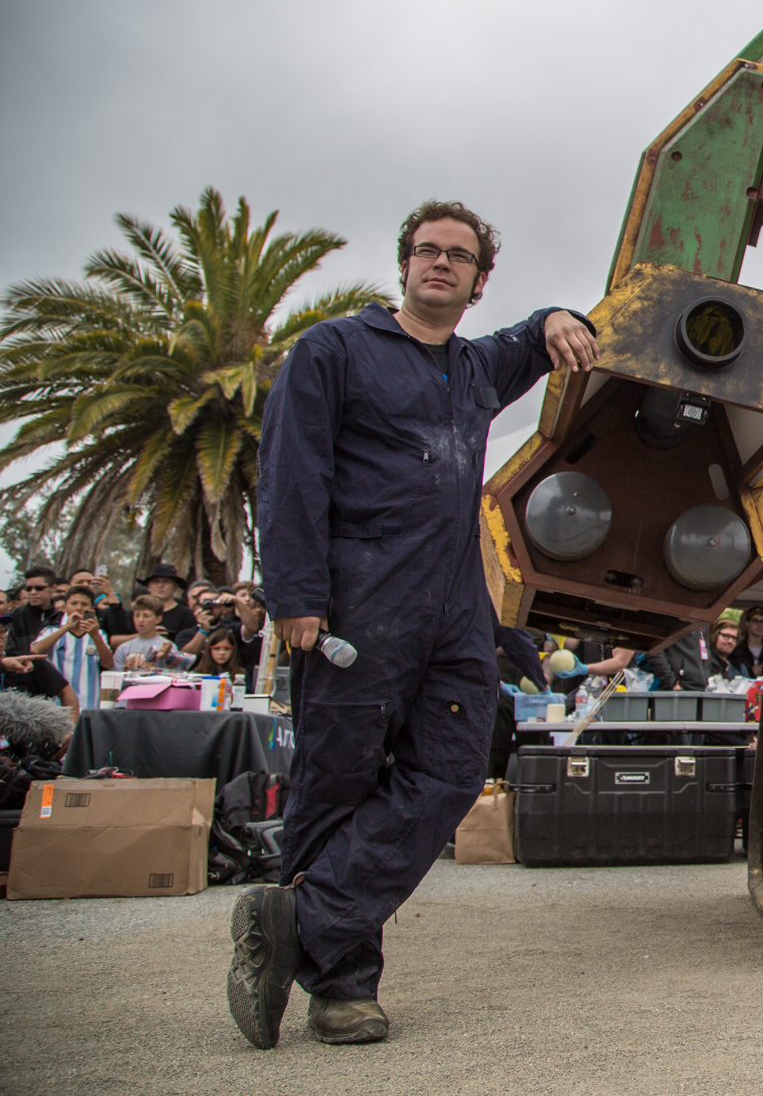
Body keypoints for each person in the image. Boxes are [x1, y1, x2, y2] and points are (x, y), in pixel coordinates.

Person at [235, 199, 598, 1049]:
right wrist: (294, 594)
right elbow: (289, 470)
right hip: (357, 600)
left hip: (451, 607)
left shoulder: (475, 367)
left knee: (455, 766)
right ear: (404, 264)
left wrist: (555, 315)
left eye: (459, 256)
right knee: (338, 783)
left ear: (477, 281)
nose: (441, 264)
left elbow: (545, 330)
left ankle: (302, 918)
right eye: (427, 251)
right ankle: (343, 989)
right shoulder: (333, 350)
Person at [30, 585, 114, 709]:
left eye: (84, 604)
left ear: (91, 609)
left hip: (88, 705)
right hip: (56, 704)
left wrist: (95, 636)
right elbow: (35, 651)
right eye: (74, 603)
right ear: (64, 607)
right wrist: (66, 628)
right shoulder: (51, 630)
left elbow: (108, 664)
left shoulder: (99, 634)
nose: (79, 607)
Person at [112, 596, 190, 671]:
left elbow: (170, 675)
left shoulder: (167, 646)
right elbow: (117, 677)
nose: (140, 620)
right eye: (137, 615)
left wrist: (161, 659)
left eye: (146, 616)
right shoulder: (124, 648)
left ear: (158, 619)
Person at [3, 567, 64, 661]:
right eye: (28, 589)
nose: (33, 592)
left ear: (53, 588)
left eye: (39, 588)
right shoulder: (13, 618)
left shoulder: (63, 618)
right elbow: (9, 652)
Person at [137, 563, 198, 638]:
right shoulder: (137, 613)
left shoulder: (188, 615)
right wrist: (146, 635)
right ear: (148, 587)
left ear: (175, 587)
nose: (160, 586)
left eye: (166, 581)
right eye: (156, 581)